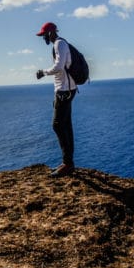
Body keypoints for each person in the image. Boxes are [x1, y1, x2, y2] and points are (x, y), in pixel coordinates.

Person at [35, 22, 77, 177]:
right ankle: (68, 162)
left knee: (58, 125)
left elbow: (59, 67)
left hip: (64, 91)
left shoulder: (59, 44)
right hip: (67, 89)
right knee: (66, 125)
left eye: (44, 35)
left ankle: (67, 164)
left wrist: (43, 72)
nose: (43, 38)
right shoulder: (61, 43)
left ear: (51, 33)